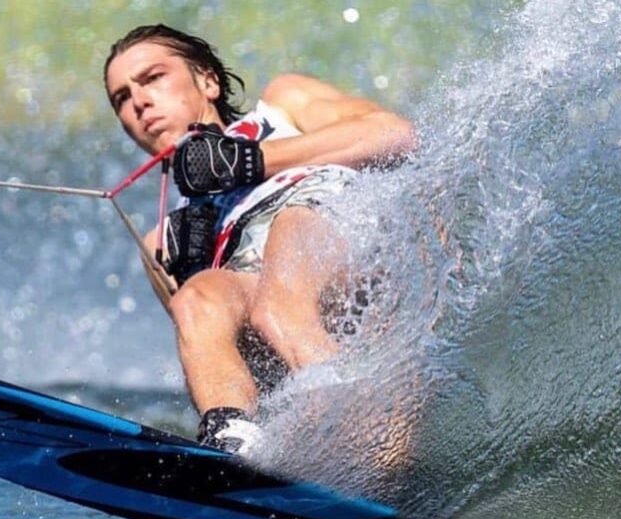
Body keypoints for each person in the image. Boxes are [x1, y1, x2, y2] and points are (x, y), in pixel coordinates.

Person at [104, 24, 417, 454]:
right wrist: (197, 272)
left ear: (209, 81)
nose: (138, 101)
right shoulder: (166, 239)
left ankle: (377, 439)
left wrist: (247, 160)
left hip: (345, 231)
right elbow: (259, 371)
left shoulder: (282, 107)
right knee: (198, 300)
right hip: (290, 306)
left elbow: (396, 136)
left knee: (282, 291)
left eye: (153, 78)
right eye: (121, 98)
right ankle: (235, 444)